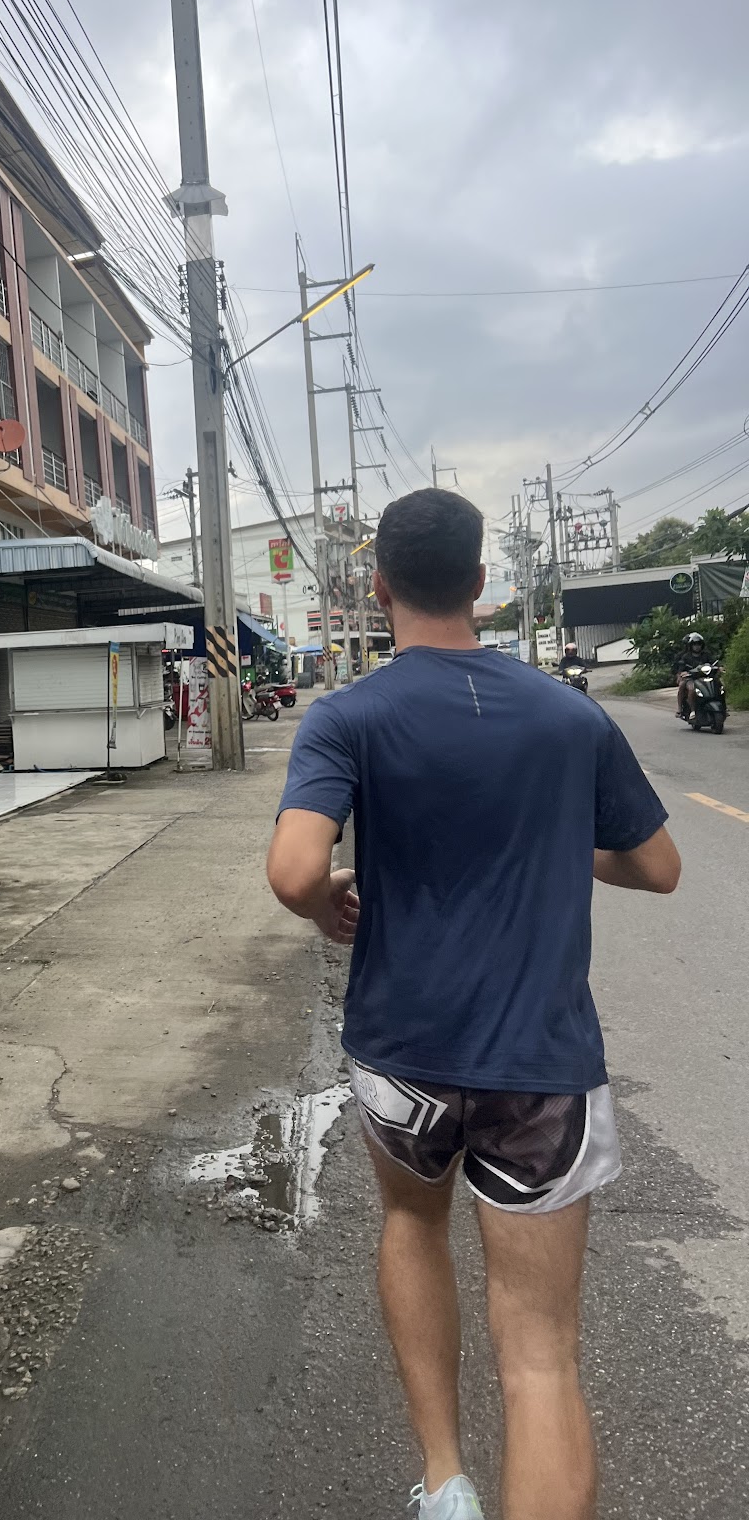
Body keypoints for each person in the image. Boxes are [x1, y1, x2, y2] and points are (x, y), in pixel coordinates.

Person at [267, 489, 680, 1520]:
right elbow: (658, 865)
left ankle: (445, 1478)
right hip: (541, 1063)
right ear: (484, 586)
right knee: (540, 1356)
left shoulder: (348, 714)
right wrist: (552, 844)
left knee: (411, 1222)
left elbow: (292, 868)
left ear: (378, 587)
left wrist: (327, 901)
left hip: (402, 1051)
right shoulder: (566, 711)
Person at [675, 631, 707, 719]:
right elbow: (681, 669)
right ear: (691, 646)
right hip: (691, 679)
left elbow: (714, 663)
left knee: (720, 686)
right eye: (695, 644)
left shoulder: (706, 655)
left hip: (705, 678)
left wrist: (719, 667)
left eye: (699, 644)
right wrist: (682, 673)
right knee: (691, 689)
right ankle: (692, 711)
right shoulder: (686, 657)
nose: (697, 646)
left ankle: (723, 707)